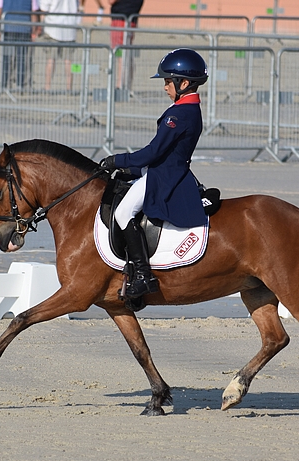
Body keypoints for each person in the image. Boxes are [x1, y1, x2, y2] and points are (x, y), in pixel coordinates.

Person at [99, 48, 208, 299]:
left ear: (184, 83)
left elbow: (154, 152)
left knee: (124, 212)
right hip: (162, 169)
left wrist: (118, 160)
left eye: (168, 81)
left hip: (164, 176)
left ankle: (142, 274)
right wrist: (131, 168)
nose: (165, 87)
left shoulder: (179, 113)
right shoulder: (187, 109)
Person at [0, 0, 40, 91]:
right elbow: (34, 12)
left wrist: (0, 27)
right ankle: (20, 85)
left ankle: (4, 84)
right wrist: (34, 30)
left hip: (8, 29)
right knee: (21, 58)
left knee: (7, 58)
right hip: (24, 29)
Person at [39, 0, 80, 92]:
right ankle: (69, 88)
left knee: (51, 59)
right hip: (69, 27)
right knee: (68, 60)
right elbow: (77, 6)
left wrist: (40, 24)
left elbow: (43, 7)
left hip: (53, 28)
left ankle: (47, 87)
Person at [108, 0, 143, 89]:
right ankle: (126, 84)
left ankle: (121, 85)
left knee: (121, 53)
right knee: (125, 54)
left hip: (121, 21)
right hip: (128, 20)